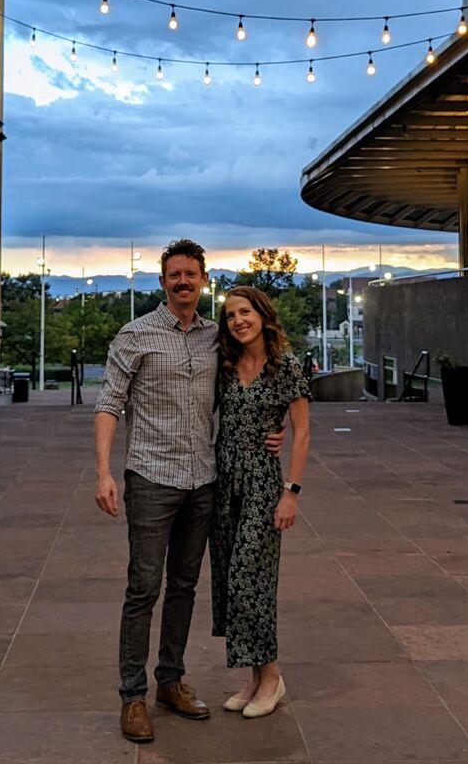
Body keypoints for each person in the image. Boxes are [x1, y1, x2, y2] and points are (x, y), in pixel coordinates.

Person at [94, 240, 283, 744]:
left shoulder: (216, 338)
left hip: (204, 481)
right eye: (174, 275)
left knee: (184, 588)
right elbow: (109, 403)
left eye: (191, 274)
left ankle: (169, 683)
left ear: (202, 280)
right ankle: (132, 696)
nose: (183, 282)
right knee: (143, 588)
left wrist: (275, 428)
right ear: (162, 282)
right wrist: (103, 472)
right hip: (151, 479)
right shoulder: (134, 336)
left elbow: (257, 379)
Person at [210, 286, 310, 719]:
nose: (238, 321)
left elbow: (302, 431)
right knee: (232, 583)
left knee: (251, 578)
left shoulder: (285, 366)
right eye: (230, 315)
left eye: (244, 312)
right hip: (223, 482)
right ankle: (254, 677)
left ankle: (272, 677)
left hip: (262, 485)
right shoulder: (226, 365)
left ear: (262, 314)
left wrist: (291, 492)